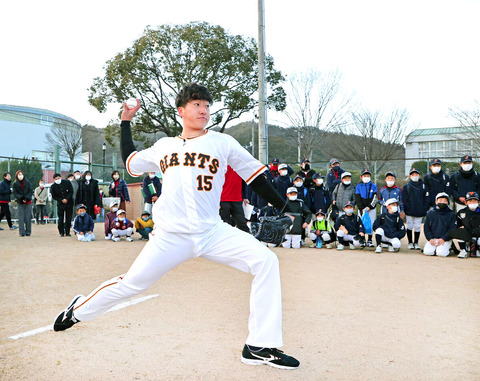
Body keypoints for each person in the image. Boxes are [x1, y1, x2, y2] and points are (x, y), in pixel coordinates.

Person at [53, 83, 300, 369]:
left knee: (266, 261)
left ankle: (259, 345)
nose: (204, 110)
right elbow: (131, 161)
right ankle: (77, 311)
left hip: (212, 231)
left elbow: (254, 175)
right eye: (197, 104)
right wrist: (125, 121)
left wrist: (284, 206)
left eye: (207, 105)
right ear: (181, 111)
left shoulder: (222, 142)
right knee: (132, 284)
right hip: (169, 237)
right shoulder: (164, 147)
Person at [423, 193, 456, 257]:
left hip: (445, 239)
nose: (442, 202)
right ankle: (435, 249)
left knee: (441, 254)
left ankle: (449, 247)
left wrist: (444, 238)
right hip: (433, 238)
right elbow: (426, 227)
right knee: (428, 252)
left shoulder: (451, 214)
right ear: (436, 202)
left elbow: (452, 228)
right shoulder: (430, 213)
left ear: (448, 203)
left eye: (445, 201)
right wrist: (430, 239)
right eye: (440, 201)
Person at [403, 168, 429, 250]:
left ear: (419, 175)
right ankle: (410, 242)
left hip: (420, 210)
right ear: (410, 176)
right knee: (409, 226)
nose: (415, 176)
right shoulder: (406, 186)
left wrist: (424, 208)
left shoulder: (424, 185)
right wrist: (407, 208)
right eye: (413, 175)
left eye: (416, 174)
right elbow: (405, 199)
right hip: (409, 210)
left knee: (417, 226)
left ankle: (416, 243)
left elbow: (426, 198)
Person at [448, 191, 480, 258]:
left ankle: (477, 249)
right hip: (466, 235)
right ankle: (463, 250)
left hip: (477, 235)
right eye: (470, 201)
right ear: (466, 202)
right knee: (459, 231)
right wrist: (460, 227)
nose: (472, 203)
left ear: (478, 202)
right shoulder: (461, 212)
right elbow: (456, 224)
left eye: (475, 201)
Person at [219, 165, 249, 233]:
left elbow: (243, 181)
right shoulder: (221, 165)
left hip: (237, 198)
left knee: (241, 223)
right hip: (223, 199)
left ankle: (247, 239)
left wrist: (245, 197)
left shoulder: (238, 166)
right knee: (226, 224)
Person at [355, 169, 378, 247]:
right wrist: (361, 208)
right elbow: (357, 199)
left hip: (371, 208)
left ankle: (370, 240)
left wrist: (369, 207)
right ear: (361, 177)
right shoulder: (358, 186)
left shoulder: (374, 186)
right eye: (365, 176)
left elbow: (375, 198)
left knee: (370, 223)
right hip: (362, 209)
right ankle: (363, 239)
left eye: (368, 176)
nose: (366, 177)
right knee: (362, 223)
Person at [12, 170, 33, 237]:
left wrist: (26, 198)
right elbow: (15, 193)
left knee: (28, 217)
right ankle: (22, 232)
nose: (20, 175)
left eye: (21, 174)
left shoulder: (27, 182)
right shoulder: (15, 184)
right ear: (16, 176)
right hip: (20, 202)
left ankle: (28, 232)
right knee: (21, 218)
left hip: (28, 202)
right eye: (19, 174)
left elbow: (30, 191)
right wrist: (21, 198)